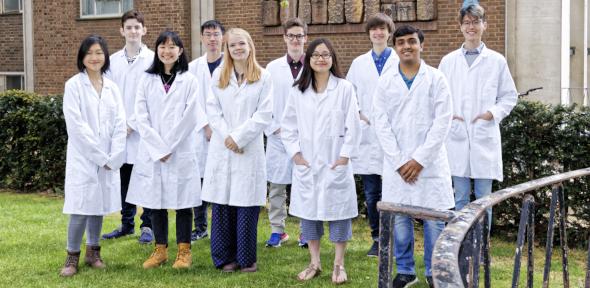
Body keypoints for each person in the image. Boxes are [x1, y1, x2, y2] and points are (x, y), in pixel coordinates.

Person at [372, 25, 453, 288]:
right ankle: (406, 271)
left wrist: (419, 160)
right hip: (397, 166)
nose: (406, 46)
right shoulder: (385, 82)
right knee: (400, 221)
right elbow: (380, 122)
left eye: (412, 41)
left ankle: (433, 272)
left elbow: (443, 122)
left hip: (428, 165)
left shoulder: (436, 78)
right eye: (401, 42)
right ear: (395, 47)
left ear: (421, 45)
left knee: (433, 222)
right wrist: (399, 161)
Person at [125, 30, 207, 270]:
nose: (167, 51)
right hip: (153, 152)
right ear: (157, 50)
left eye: (172, 47)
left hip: (180, 150)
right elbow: (141, 115)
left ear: (180, 51)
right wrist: (157, 147)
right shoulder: (146, 79)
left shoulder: (189, 80)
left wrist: (168, 146)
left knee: (183, 202)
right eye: (163, 46)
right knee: (155, 201)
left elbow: (190, 116)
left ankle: (184, 253)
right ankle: (160, 250)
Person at [282, 38, 361, 285]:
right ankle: (314, 263)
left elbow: (354, 126)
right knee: (309, 216)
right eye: (316, 55)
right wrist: (296, 155)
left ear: (333, 58)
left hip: (335, 162)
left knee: (339, 215)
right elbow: (288, 126)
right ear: (309, 59)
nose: (321, 59)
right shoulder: (298, 91)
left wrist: (344, 156)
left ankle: (339, 264)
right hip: (307, 164)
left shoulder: (345, 88)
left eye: (326, 54)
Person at [439, 4, 517, 229]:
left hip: (484, 135)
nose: (471, 27)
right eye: (466, 23)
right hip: (456, 135)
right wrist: (450, 116)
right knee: (460, 196)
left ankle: (482, 247)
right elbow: (438, 98)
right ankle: (461, 245)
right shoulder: (448, 61)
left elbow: (509, 97)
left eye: (475, 22)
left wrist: (490, 114)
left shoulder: (497, 61)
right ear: (460, 27)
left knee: (484, 198)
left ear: (484, 25)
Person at [201, 28, 272, 273]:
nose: (237, 48)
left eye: (241, 43)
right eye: (232, 45)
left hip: (248, 149)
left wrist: (239, 138)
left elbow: (263, 115)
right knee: (222, 204)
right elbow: (212, 111)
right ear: (227, 49)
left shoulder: (263, 76)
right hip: (223, 148)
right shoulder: (220, 75)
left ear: (250, 45)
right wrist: (228, 137)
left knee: (245, 205)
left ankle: (246, 258)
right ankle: (224, 258)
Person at [60, 35, 127, 277]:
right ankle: (71, 257)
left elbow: (121, 122)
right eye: (89, 53)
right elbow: (76, 127)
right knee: (80, 207)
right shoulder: (73, 85)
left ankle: (93, 252)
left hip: (109, 158)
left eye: (99, 52)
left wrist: (116, 154)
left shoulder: (112, 87)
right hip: (84, 158)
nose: (94, 57)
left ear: (105, 56)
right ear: (82, 57)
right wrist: (101, 156)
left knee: (98, 207)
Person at [346, 12, 398, 257]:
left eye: (383, 29)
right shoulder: (359, 63)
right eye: (374, 29)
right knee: (371, 193)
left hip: (394, 136)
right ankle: (377, 238)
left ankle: (394, 238)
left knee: (394, 190)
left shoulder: (399, 59)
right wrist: (358, 114)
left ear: (389, 33)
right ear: (369, 33)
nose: (378, 33)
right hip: (367, 137)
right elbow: (349, 95)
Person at [102, 9, 155, 244]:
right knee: (124, 179)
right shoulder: (112, 61)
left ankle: (148, 226)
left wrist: (132, 124)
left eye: (137, 27)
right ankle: (126, 224)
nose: (133, 31)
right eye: (129, 27)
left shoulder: (154, 59)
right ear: (121, 30)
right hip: (120, 132)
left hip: (144, 131)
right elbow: (109, 96)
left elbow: (153, 97)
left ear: (144, 30)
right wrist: (120, 125)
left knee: (145, 178)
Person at [264, 17, 308, 248]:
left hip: (305, 138)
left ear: (305, 39)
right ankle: (277, 230)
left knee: (303, 184)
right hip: (278, 137)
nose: (295, 40)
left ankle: (305, 231)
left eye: (299, 36)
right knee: (278, 186)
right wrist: (274, 127)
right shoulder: (272, 68)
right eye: (291, 36)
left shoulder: (313, 65)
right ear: (285, 38)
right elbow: (264, 103)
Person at [187, 19, 225, 242]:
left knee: (220, 181)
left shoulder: (230, 65)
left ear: (223, 38)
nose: (212, 38)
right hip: (200, 134)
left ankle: (220, 228)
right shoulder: (192, 68)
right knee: (198, 182)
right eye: (208, 34)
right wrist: (206, 125)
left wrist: (217, 127)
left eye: (216, 34)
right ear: (202, 38)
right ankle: (200, 227)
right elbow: (191, 102)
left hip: (223, 133)